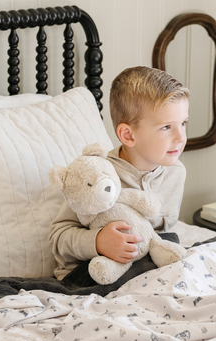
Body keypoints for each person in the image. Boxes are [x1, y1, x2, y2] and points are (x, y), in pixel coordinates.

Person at [49, 66, 190, 280]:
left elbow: (162, 232)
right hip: (94, 273)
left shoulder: (176, 173)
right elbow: (59, 237)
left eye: (183, 123)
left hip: (147, 266)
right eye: (166, 127)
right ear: (128, 135)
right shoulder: (97, 174)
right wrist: (97, 242)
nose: (181, 137)